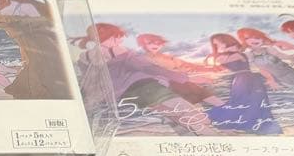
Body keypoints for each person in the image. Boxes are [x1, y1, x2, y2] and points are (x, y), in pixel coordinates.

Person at [77, 23, 218, 134]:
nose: (121, 40)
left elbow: (93, 81)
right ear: (107, 36)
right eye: (117, 37)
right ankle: (210, 138)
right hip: (145, 88)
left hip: (123, 96)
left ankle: (195, 136)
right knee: (191, 114)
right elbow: (148, 68)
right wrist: (187, 78)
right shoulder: (118, 50)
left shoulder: (84, 57)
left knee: (172, 115)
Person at [205, 33, 282, 134]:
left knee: (258, 103)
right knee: (240, 103)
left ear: (226, 41)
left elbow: (233, 57)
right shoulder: (226, 55)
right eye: (215, 45)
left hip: (249, 80)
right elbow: (223, 61)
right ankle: (252, 128)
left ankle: (264, 128)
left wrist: (270, 79)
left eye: (219, 43)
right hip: (241, 81)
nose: (218, 46)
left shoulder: (236, 54)